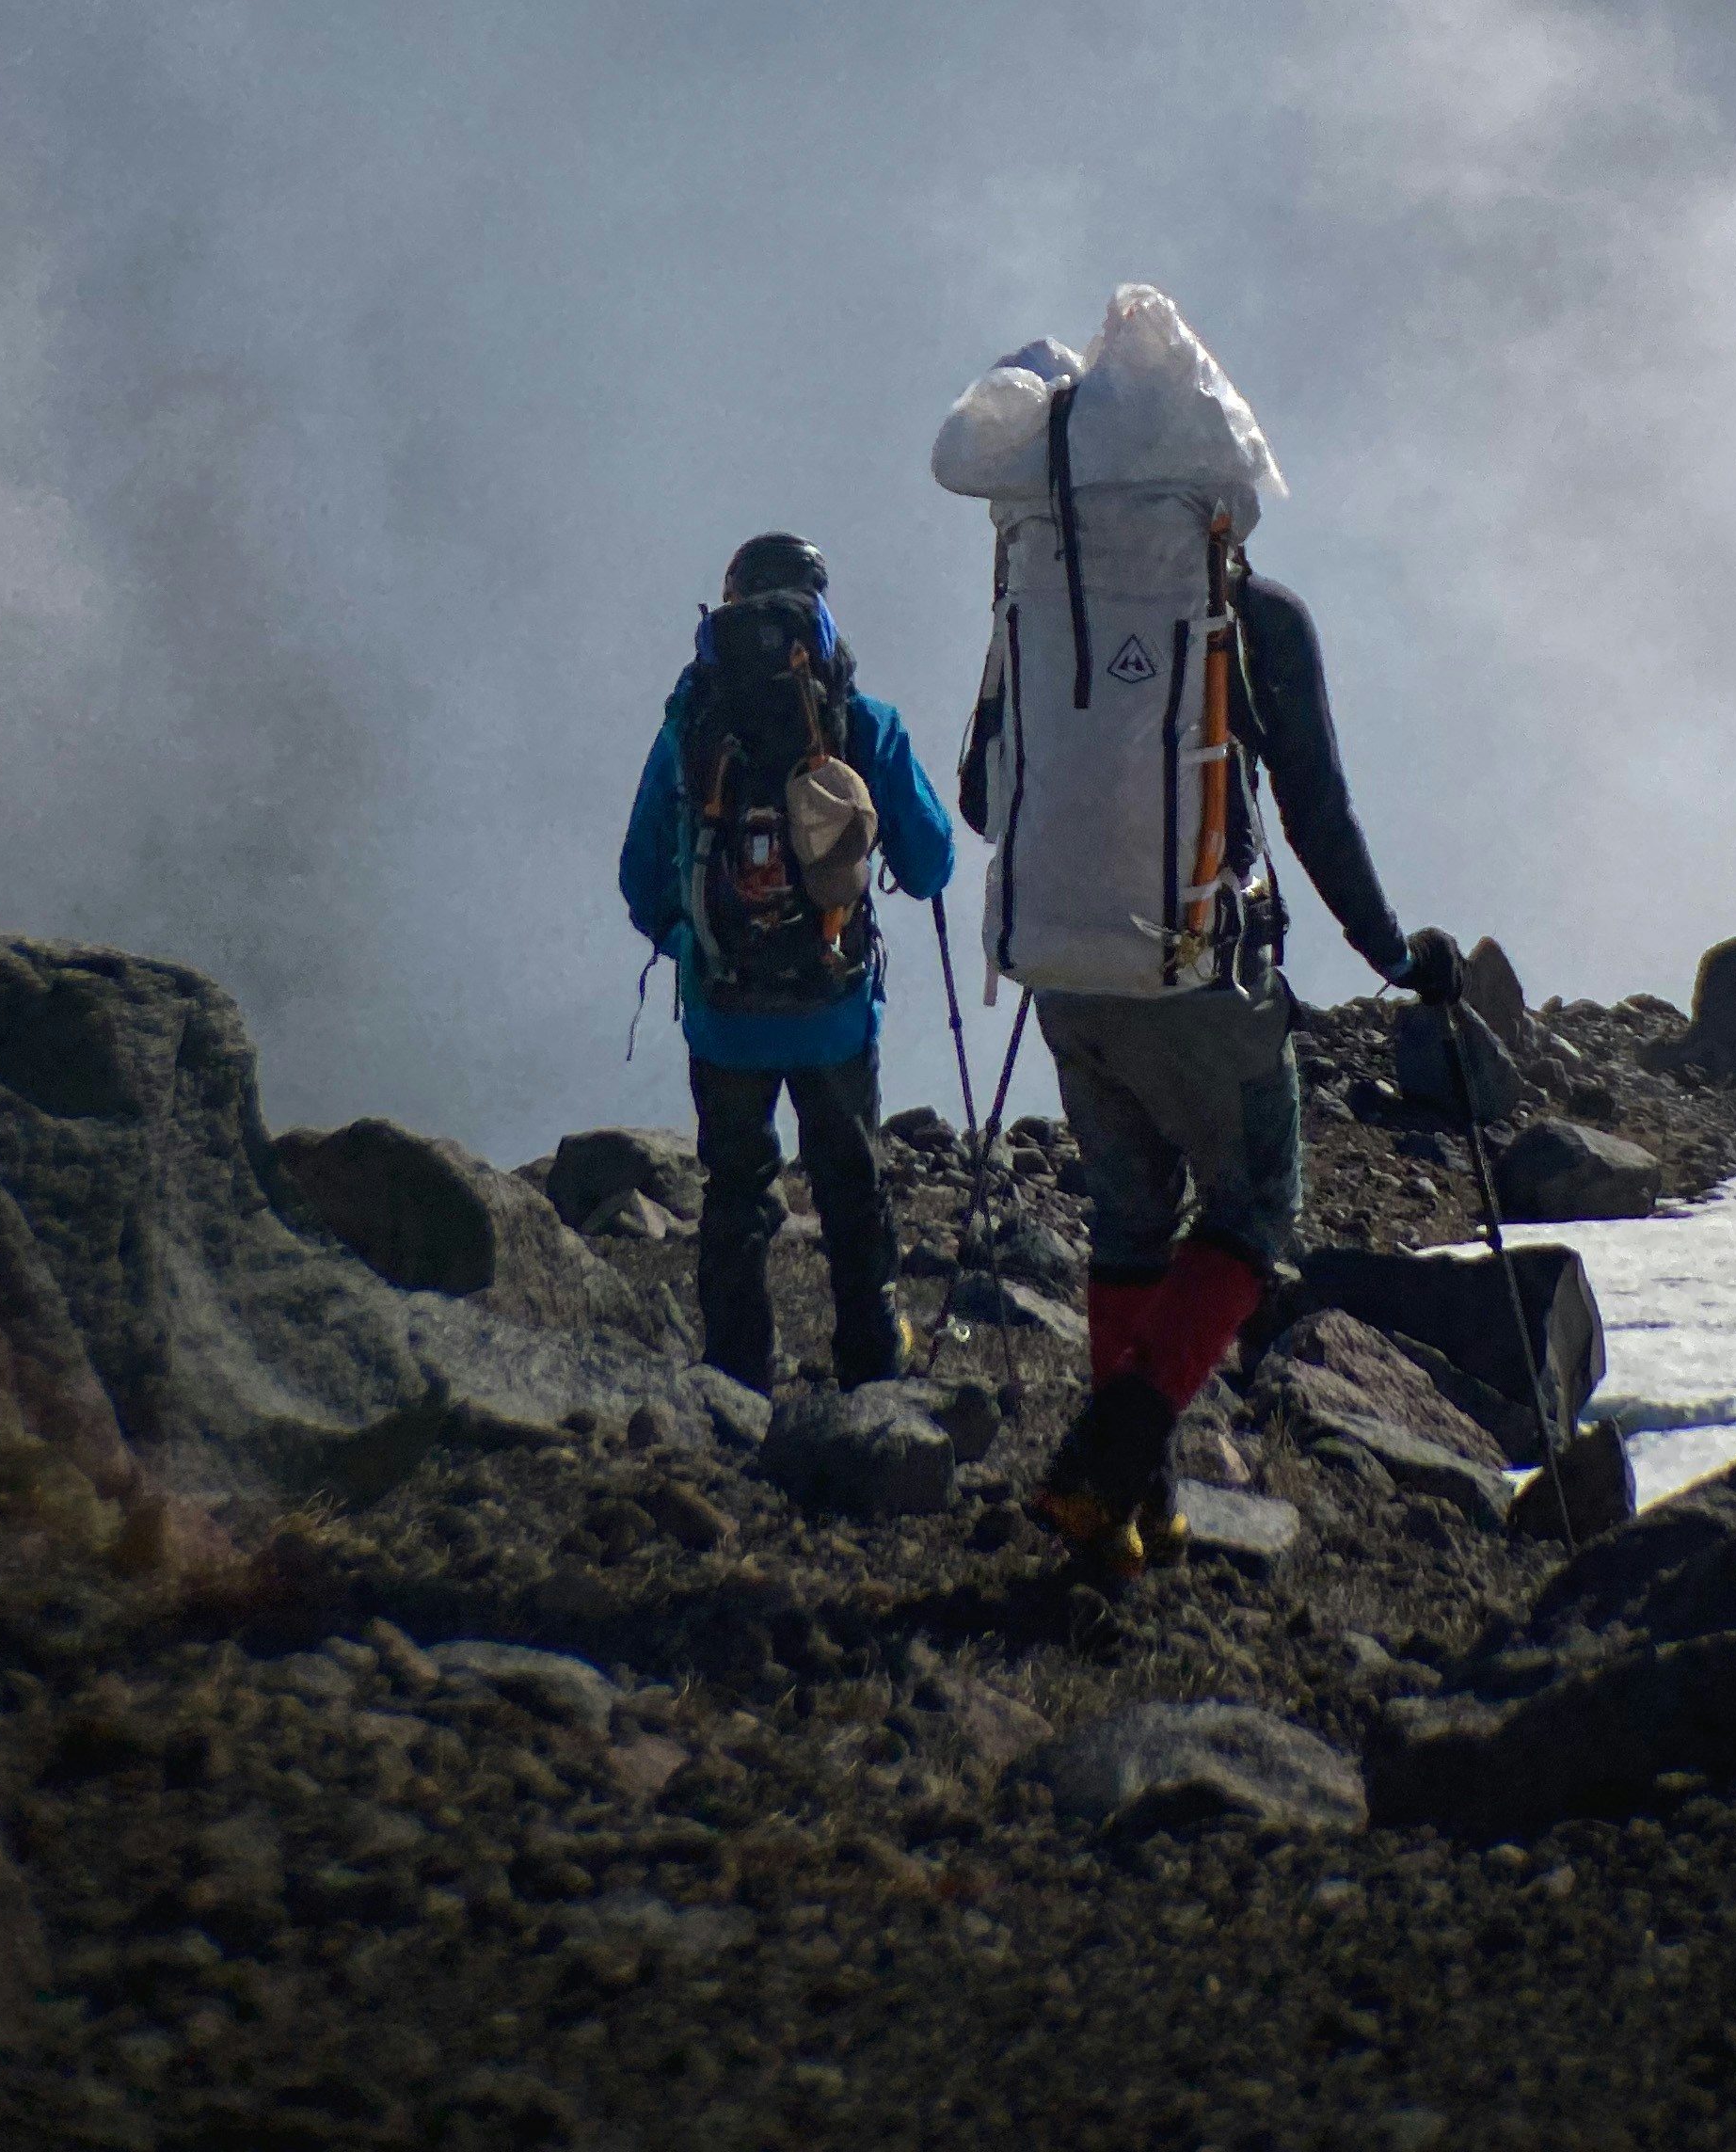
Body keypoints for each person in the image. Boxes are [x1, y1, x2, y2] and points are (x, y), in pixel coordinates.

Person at [942, 298, 1462, 1570]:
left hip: (1065, 969)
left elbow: (976, 794)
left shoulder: (1039, 600)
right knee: (1254, 1208)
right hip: (1198, 969)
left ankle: (1134, 1510)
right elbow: (1320, 815)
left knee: (1129, 1221)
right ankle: (1113, 1456)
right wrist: (1398, 957)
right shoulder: (1257, 620)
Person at [619, 532, 954, 1393]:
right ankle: (873, 1361)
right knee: (850, 1180)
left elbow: (639, 875)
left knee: (736, 1190)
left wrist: (702, 943)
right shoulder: (861, 723)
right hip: (834, 1011)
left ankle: (736, 1374)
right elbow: (931, 864)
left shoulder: (692, 724)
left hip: (724, 1016)